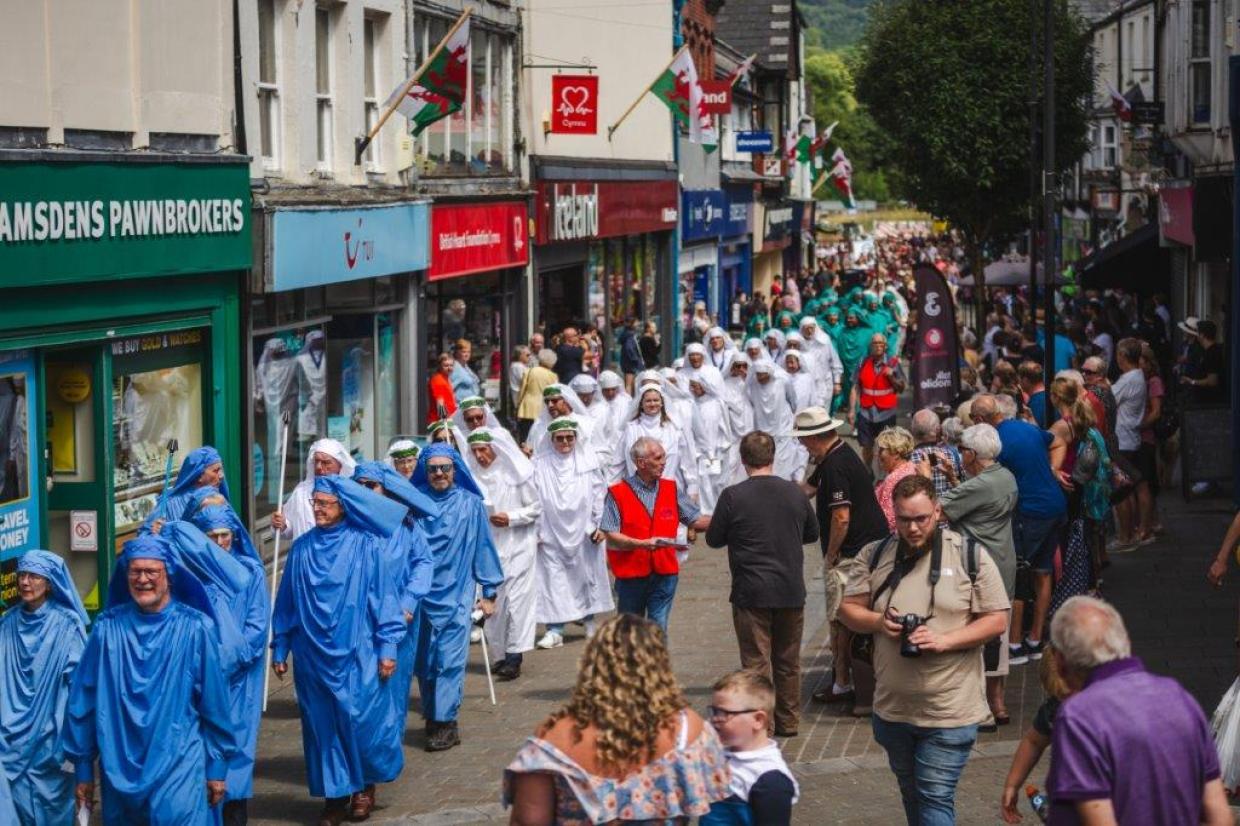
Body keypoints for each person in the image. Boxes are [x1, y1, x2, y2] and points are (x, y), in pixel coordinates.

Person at [837, 475, 1010, 826]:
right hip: (894, 710)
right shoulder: (875, 554)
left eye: (921, 519)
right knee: (912, 794)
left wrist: (945, 640)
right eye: (904, 520)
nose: (913, 528)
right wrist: (878, 622)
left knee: (934, 796)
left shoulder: (969, 554)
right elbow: (847, 610)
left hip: (949, 712)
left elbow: (997, 619)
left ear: (938, 512)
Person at [64, 534, 238, 825]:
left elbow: (214, 703)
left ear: (168, 575)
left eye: (151, 571)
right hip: (118, 766)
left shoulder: (196, 628)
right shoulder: (107, 630)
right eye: (135, 571)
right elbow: (84, 701)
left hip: (178, 764)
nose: (142, 579)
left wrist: (217, 767)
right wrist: (83, 769)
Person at [271, 474, 408, 823]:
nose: (317, 509)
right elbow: (285, 603)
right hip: (312, 657)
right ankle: (334, 796)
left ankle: (364, 786)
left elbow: (385, 601)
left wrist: (388, 647)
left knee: (361, 720)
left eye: (324, 503)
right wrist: (280, 647)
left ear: (343, 506)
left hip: (357, 652)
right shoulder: (301, 549)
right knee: (322, 729)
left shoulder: (367, 545)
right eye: (314, 503)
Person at [503, 615, 730, 822]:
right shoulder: (689, 730)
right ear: (660, 666)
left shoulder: (553, 737)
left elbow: (528, 821)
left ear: (592, 665)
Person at [1045, 596, 1232, 825]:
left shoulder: (1078, 716)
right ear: (1125, 642)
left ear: (1060, 662)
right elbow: (1220, 815)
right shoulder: (1179, 698)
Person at [705, 431, 819, 736]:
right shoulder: (795, 492)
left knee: (755, 663)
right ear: (773, 458)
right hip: (790, 588)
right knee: (788, 660)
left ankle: (760, 724)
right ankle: (789, 720)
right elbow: (812, 533)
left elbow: (714, 538)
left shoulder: (733, 496)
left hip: (751, 590)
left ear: (743, 461)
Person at [167, 514, 270, 825]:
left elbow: (256, 627)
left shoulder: (249, 572)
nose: (221, 542)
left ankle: (235, 812)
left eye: (226, 535)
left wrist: (227, 662)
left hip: (239, 680)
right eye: (213, 536)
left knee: (236, 746)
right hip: (199, 682)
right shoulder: (189, 577)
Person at [409, 444, 504, 751]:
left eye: (445, 468)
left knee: (448, 661)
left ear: (455, 470)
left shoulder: (470, 504)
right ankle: (432, 715)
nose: (439, 473)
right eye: (433, 468)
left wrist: (489, 592)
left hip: (457, 594)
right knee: (424, 662)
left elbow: (483, 548)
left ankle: (445, 722)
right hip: (421, 598)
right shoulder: (414, 505)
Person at [794, 407, 888, 711]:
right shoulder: (834, 456)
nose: (801, 446)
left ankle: (843, 682)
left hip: (852, 554)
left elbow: (841, 517)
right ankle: (843, 678)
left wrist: (832, 553)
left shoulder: (835, 465)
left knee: (840, 618)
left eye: (803, 440)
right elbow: (806, 490)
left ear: (815, 437)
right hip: (865, 547)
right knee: (843, 619)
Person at [971, 394, 1066, 665]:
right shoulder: (1026, 427)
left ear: (979, 420)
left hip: (1031, 512)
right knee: (1043, 572)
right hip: (1054, 506)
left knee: (1019, 575)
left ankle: (1013, 644)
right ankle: (1035, 639)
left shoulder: (997, 443)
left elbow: (988, 481)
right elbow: (1058, 440)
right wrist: (1053, 469)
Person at [936, 423, 1019, 724]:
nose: (959, 455)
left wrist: (923, 480)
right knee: (999, 633)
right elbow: (977, 499)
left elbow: (937, 511)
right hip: (1003, 560)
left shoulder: (980, 485)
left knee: (980, 634)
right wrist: (953, 477)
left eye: (961, 451)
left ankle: (983, 704)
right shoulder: (1005, 476)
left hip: (978, 566)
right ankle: (998, 703)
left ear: (971, 453)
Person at [0, 551, 89, 826]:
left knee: (51, 812)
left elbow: (79, 687)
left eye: (34, 576)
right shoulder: (7, 623)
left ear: (49, 583)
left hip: (50, 743)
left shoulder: (67, 625)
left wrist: (76, 741)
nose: (26, 582)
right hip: (9, 742)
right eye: (22, 576)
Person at [350, 461, 437, 729]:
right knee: (361, 685)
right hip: (360, 618)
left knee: (394, 684)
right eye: (359, 485)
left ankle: (388, 747)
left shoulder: (406, 525)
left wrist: (410, 601)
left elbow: (424, 562)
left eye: (371, 486)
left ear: (384, 489)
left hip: (400, 615)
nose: (365, 490)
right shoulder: (349, 523)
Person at [601, 436, 711, 635]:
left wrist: (728, 518)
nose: (664, 462)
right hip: (631, 576)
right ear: (641, 463)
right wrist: (642, 544)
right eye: (658, 458)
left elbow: (695, 520)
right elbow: (611, 534)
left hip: (665, 572)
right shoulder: (617, 493)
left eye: (664, 457)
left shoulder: (670, 488)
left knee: (658, 626)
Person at [462, 428, 540, 680]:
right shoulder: (472, 476)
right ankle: (499, 655)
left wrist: (511, 517)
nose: (480, 455)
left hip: (518, 546)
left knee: (516, 604)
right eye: (474, 451)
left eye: (483, 449)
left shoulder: (517, 473)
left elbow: (536, 507)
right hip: (488, 550)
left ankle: (515, 656)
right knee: (492, 603)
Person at [529, 417, 612, 649]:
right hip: (550, 531)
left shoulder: (588, 461)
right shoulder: (539, 463)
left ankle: (589, 622)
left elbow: (599, 493)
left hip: (584, 530)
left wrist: (599, 524)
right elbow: (533, 496)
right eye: (560, 438)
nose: (565, 442)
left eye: (569, 437)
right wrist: (536, 530)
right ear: (551, 439)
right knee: (552, 581)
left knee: (585, 576)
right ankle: (555, 630)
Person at [701, 671, 799, 826]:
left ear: (758, 720)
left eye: (724, 713)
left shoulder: (770, 781)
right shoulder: (722, 752)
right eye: (713, 711)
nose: (714, 719)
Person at [1000, 646, 1075, 823]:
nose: (1069, 707)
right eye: (1061, 697)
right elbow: (1033, 741)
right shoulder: (1054, 709)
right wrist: (1012, 784)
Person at [271, 438, 358, 542]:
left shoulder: (351, 494)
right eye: (316, 461)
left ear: (340, 465)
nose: (319, 467)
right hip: (303, 555)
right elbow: (289, 530)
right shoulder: (301, 492)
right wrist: (282, 524)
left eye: (326, 462)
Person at [141, 445, 230, 533]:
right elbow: (147, 536)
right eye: (215, 471)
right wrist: (155, 532)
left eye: (221, 469)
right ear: (199, 476)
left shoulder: (218, 499)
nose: (221, 475)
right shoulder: (169, 505)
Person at [849, 333, 907, 470]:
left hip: (886, 412)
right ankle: (868, 470)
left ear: (886, 346)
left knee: (886, 446)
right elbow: (855, 387)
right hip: (866, 412)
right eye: (875, 343)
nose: (878, 346)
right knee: (866, 445)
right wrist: (851, 410)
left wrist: (891, 376)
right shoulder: (862, 362)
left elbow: (902, 388)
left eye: (881, 343)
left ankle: (885, 473)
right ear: (870, 346)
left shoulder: (893, 363)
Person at [1110, 338, 1147, 550]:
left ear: (1122, 357)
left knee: (1120, 492)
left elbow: (1109, 399)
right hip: (1129, 437)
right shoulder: (1136, 377)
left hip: (1122, 440)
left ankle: (1124, 537)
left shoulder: (1128, 380)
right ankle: (1130, 533)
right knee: (1127, 490)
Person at [908, 408, 964, 498]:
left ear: (912, 430)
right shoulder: (951, 454)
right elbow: (963, 483)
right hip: (948, 508)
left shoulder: (908, 458)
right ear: (938, 430)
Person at [873, 426, 919, 531]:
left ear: (896, 453)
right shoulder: (911, 467)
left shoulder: (894, 479)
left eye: (882, 450)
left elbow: (888, 519)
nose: (877, 454)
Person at [516, 348, 558, 444]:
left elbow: (522, 390)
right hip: (543, 407)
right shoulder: (553, 376)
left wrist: (518, 404)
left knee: (524, 435)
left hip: (527, 407)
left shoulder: (530, 371)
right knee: (539, 436)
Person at [427, 352, 458, 423]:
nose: (449, 368)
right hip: (440, 422)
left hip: (447, 420)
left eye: (451, 365)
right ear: (439, 366)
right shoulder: (438, 380)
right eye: (446, 365)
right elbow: (440, 403)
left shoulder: (445, 378)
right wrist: (445, 422)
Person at [1019, 361, 1048, 426]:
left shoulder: (1036, 403)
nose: (1019, 382)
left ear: (1025, 380)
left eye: (1020, 378)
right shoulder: (1049, 395)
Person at [508, 345, 530, 410]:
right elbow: (525, 380)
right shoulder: (518, 366)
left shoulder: (519, 365)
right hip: (520, 398)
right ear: (520, 355)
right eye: (527, 355)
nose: (529, 357)